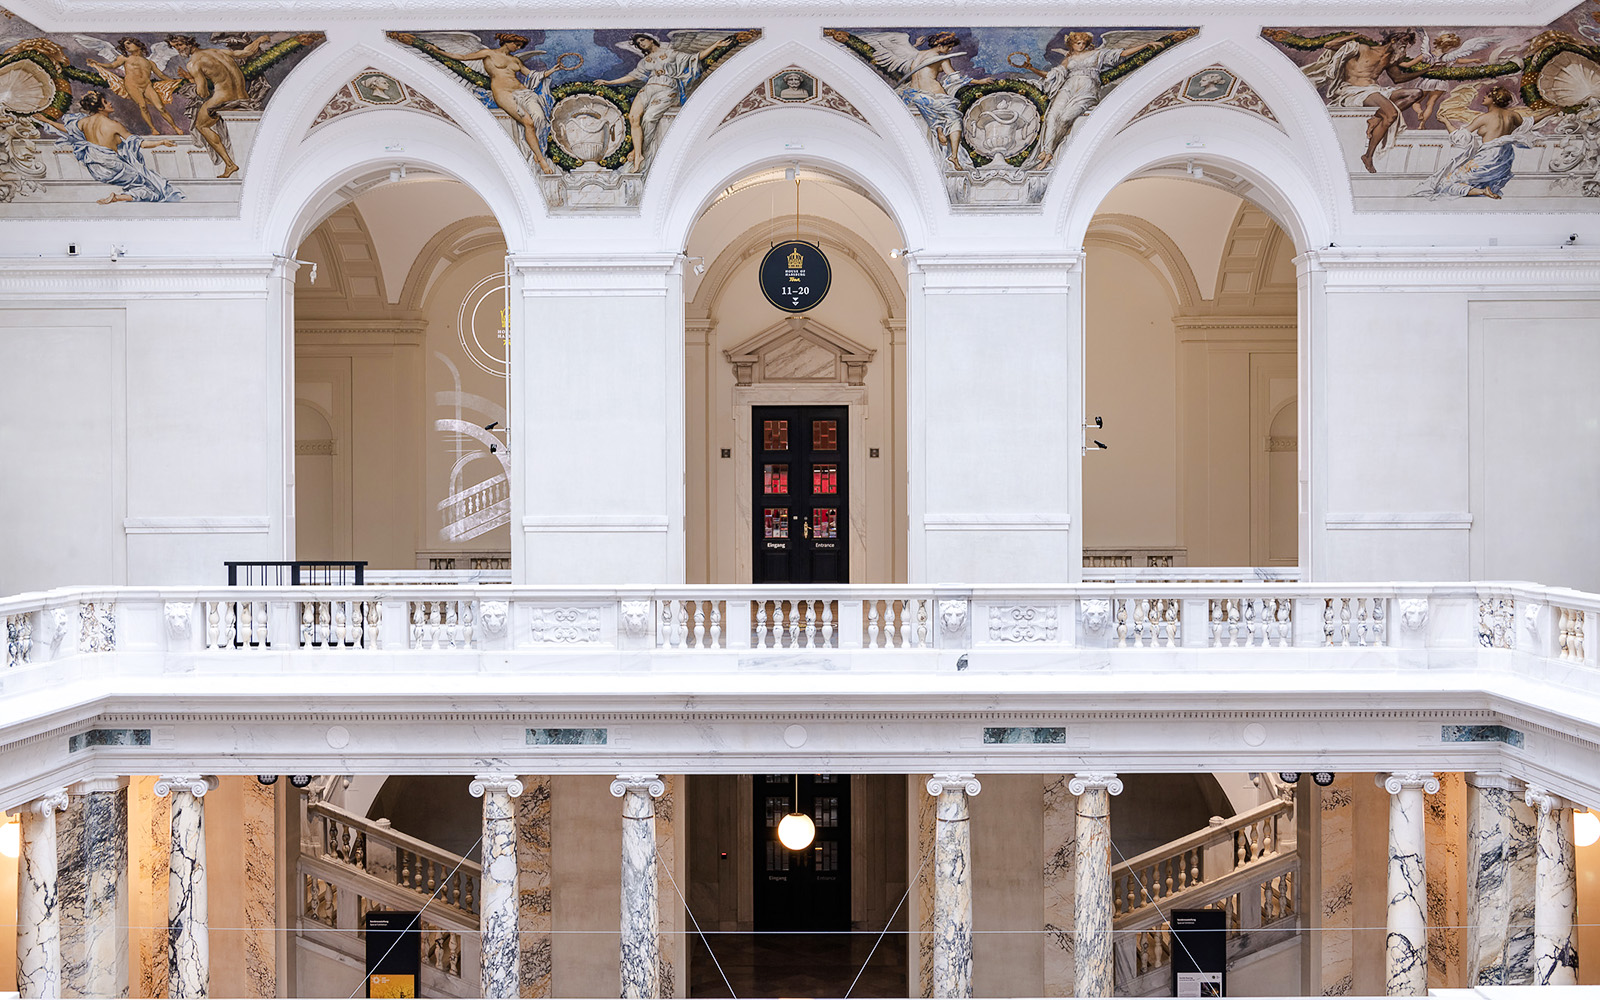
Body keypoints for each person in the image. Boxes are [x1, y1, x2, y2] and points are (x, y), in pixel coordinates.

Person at [1274, 29, 1424, 173]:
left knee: (1416, 93)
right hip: (1353, 90)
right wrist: (1354, 37)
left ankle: (1377, 117)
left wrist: (1425, 71)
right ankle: (1368, 155)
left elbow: (1398, 78)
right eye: (1404, 42)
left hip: (1374, 90)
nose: (1405, 47)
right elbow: (1329, 45)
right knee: (1391, 114)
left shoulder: (1389, 60)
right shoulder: (1362, 48)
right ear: (1393, 40)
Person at [599, 32, 745, 172]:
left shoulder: (671, 53)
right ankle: (637, 152)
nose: (641, 44)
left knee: (649, 118)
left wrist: (715, 45)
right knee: (633, 117)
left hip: (667, 88)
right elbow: (633, 76)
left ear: (651, 39)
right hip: (649, 88)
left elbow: (695, 58)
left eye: (642, 40)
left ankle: (640, 152)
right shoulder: (645, 61)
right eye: (638, 43)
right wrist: (609, 82)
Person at [1018, 32, 1160, 168]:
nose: (1081, 46)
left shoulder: (1097, 54)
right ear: (1071, 44)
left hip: (1087, 88)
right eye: (1077, 43)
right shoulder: (1068, 59)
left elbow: (1122, 53)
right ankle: (1047, 151)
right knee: (1051, 116)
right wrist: (1031, 68)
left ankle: (1051, 150)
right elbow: (1051, 75)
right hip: (1068, 87)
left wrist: (1146, 45)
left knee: (1066, 117)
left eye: (1083, 43)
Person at [854, 31, 989, 169]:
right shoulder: (942, 59)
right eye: (949, 47)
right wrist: (979, 81)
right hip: (933, 95)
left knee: (930, 106)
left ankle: (938, 127)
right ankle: (953, 156)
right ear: (940, 46)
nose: (949, 50)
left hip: (913, 93)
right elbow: (955, 78)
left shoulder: (915, 55)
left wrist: (915, 45)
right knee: (954, 118)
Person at [433, 33, 560, 174]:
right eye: (516, 44)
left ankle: (536, 149)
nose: (518, 48)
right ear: (507, 41)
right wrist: (439, 51)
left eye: (520, 46)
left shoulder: (516, 60)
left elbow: (532, 75)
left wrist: (553, 70)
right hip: (504, 93)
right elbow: (463, 57)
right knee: (528, 122)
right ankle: (541, 159)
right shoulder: (488, 53)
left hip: (524, 92)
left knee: (540, 118)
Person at [165, 32, 271, 178]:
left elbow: (202, 92)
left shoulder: (193, 63)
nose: (178, 49)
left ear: (189, 43)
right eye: (175, 47)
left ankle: (230, 164)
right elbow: (246, 52)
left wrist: (190, 80)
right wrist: (259, 40)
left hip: (223, 98)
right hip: (243, 96)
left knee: (200, 125)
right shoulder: (217, 51)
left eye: (180, 45)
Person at [47, 91, 181, 203]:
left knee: (147, 182)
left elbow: (65, 128)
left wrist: (46, 120)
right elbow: (140, 143)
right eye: (105, 102)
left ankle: (118, 197)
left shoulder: (83, 122)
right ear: (100, 108)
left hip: (96, 169)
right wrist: (161, 142)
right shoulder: (114, 125)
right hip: (114, 168)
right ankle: (118, 197)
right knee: (156, 190)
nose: (110, 103)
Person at [1420, 86, 1538, 198]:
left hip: (1488, 157)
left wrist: (1446, 122)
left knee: (1444, 184)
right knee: (1474, 181)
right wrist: (1547, 113)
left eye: (1488, 96)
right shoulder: (1513, 115)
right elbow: (1529, 123)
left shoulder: (1484, 118)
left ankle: (1483, 191)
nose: (1484, 97)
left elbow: (1460, 137)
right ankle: (1483, 190)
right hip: (1505, 157)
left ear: (1494, 100)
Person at [87, 37, 180, 135]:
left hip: (147, 86)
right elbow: (113, 65)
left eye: (129, 43)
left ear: (138, 45)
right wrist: (98, 63)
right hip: (132, 85)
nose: (127, 46)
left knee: (161, 107)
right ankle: (153, 129)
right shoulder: (125, 58)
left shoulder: (149, 62)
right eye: (125, 45)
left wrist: (175, 81)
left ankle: (175, 127)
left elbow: (160, 75)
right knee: (143, 106)